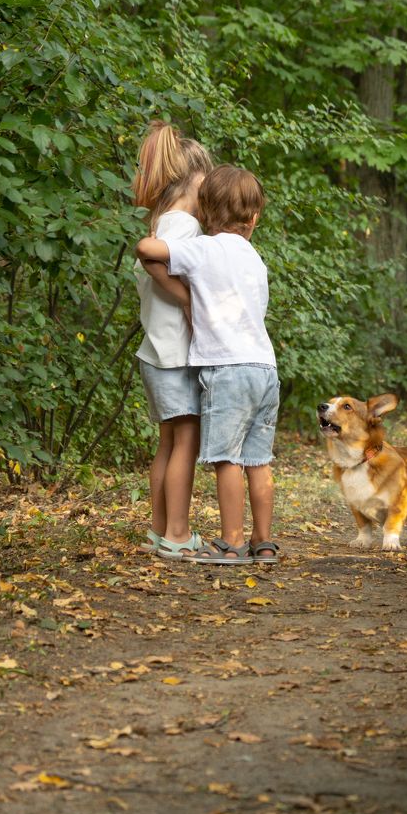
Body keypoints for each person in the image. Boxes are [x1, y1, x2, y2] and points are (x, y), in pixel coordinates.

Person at [136, 164, 280, 566]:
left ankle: (232, 541)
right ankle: (263, 542)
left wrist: (183, 294)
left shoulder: (203, 249)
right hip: (265, 369)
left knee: (226, 459)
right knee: (258, 461)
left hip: (227, 370)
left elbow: (148, 251)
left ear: (203, 213)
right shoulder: (255, 259)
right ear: (254, 218)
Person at [133, 120, 213, 560]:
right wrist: (191, 303)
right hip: (175, 354)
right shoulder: (183, 225)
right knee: (187, 441)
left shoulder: (164, 221)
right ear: (193, 182)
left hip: (157, 351)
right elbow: (154, 266)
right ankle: (178, 536)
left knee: (169, 441)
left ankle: (161, 530)